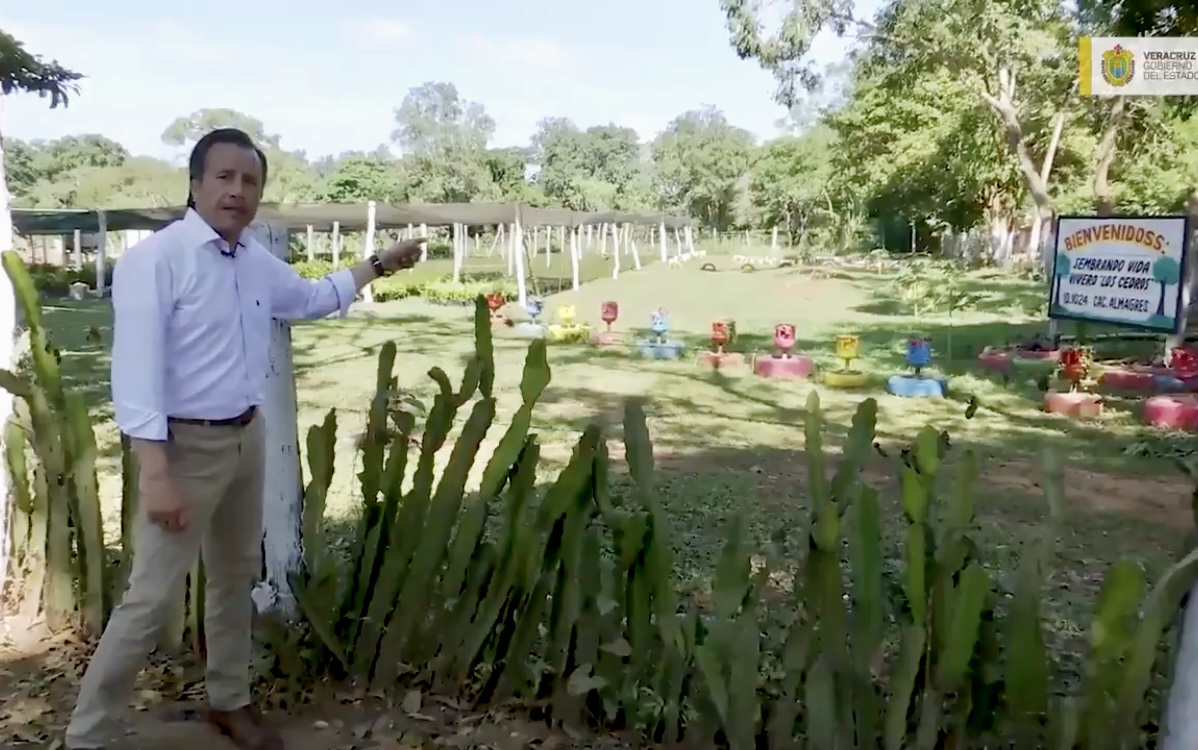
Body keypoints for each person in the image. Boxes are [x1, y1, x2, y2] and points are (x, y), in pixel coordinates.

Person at [65, 127, 426, 750]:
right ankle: (86, 736)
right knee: (149, 600)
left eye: (250, 180)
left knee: (234, 576)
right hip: (180, 449)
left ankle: (229, 699)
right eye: (225, 177)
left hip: (244, 438)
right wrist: (156, 471)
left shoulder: (252, 258)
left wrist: (377, 265)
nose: (237, 191)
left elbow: (311, 298)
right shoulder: (156, 261)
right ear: (197, 184)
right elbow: (136, 373)